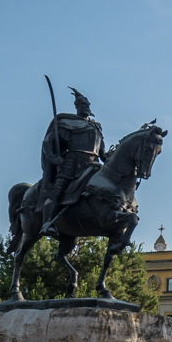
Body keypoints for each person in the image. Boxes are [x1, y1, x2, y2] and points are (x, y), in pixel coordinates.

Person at [40, 87, 107, 236]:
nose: (86, 108)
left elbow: (101, 152)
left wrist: (110, 158)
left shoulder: (96, 127)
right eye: (83, 105)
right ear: (77, 107)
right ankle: (47, 222)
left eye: (87, 105)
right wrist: (52, 157)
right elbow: (47, 142)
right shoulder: (67, 123)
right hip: (72, 163)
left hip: (94, 165)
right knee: (59, 189)